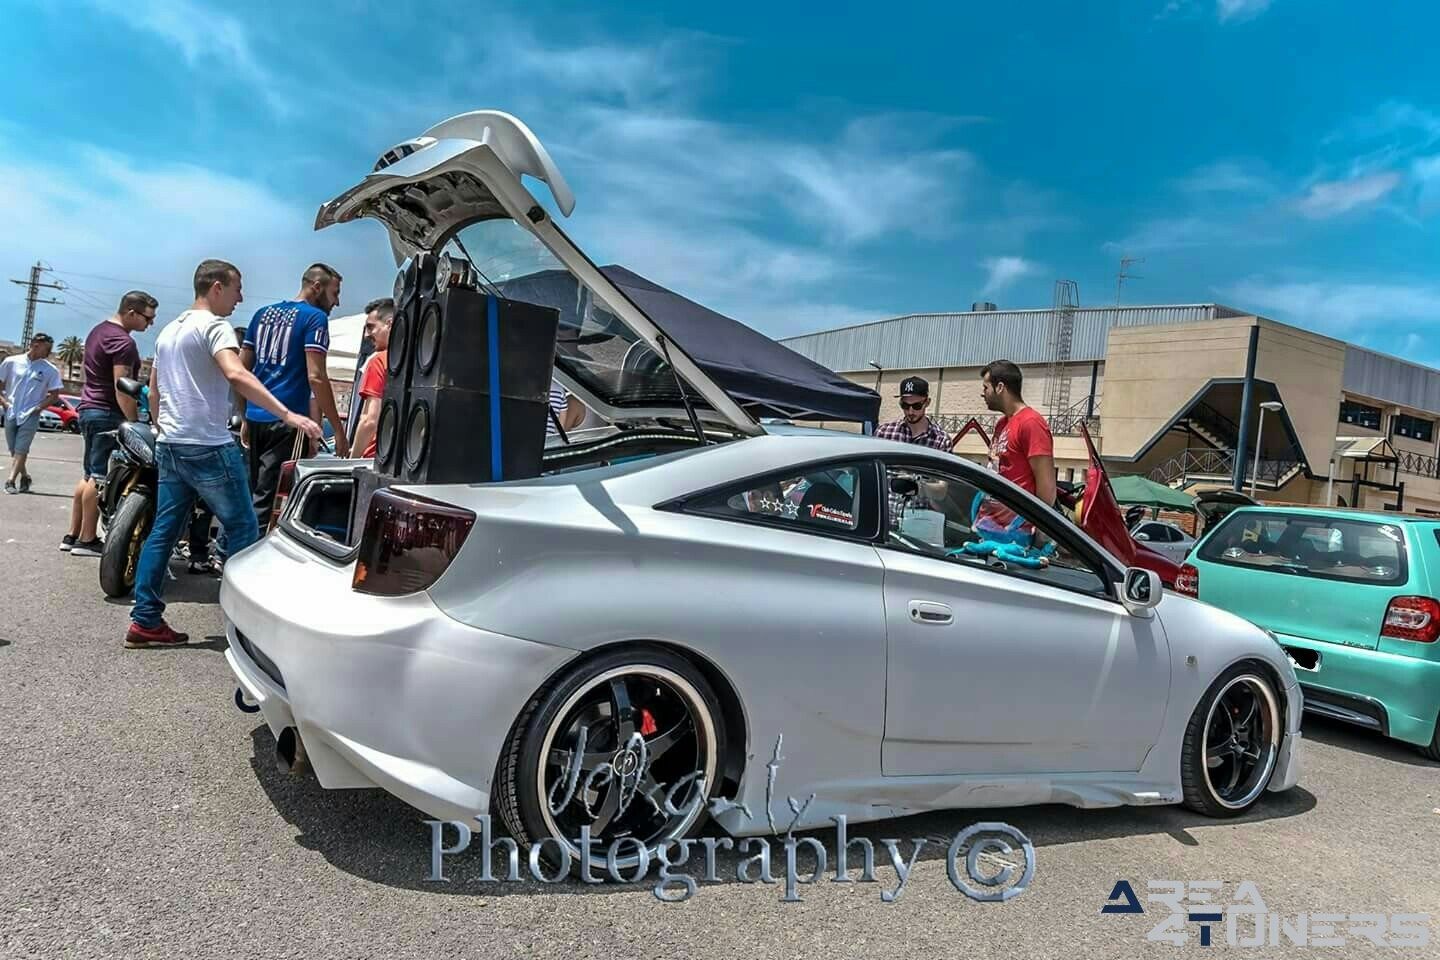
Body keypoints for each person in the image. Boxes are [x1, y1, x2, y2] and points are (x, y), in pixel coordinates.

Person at [126, 259, 321, 648]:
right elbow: (236, 374)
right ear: (216, 287)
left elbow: (156, 386)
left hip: (172, 444)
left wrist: (164, 426)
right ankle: (247, 624)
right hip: (209, 446)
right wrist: (288, 414)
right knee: (245, 528)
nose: (241, 297)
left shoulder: (169, 330)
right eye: (237, 289)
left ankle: (145, 619)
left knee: (164, 531)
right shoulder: (214, 327)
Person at [241, 263, 350, 530]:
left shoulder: (262, 314)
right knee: (276, 501)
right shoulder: (314, 318)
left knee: (254, 493)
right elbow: (316, 377)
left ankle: (232, 552)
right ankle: (252, 560)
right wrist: (337, 430)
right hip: (289, 421)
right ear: (317, 287)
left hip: (256, 415)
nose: (337, 302)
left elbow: (242, 369)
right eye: (334, 293)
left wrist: (243, 414)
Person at [64, 292, 156, 555]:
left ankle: (73, 534)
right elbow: (122, 387)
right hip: (107, 411)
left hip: (89, 408)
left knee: (87, 474)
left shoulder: (97, 332)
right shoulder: (122, 342)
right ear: (131, 312)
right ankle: (88, 539)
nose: (150, 324)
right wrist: (133, 422)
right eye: (148, 318)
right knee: (100, 477)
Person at [976, 359, 1055, 537]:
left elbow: (1047, 486)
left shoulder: (1031, 423)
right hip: (989, 527)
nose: (983, 394)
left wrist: (1041, 533)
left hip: (1015, 534)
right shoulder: (1002, 424)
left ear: (1000, 387)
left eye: (986, 388)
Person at [0, 333, 64, 495]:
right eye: (46, 348)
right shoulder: (11, 362)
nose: (49, 352)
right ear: (35, 344)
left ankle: (10, 481)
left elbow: (54, 395)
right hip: (11, 411)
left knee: (22, 448)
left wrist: (38, 408)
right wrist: (5, 404)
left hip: (31, 414)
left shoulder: (50, 370)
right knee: (14, 449)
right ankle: (25, 476)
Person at [349, 298, 395, 459]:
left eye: (371, 327)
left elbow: (369, 420)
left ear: (390, 324)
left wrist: (352, 459)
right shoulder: (421, 364)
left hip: (376, 458)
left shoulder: (379, 361)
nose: (367, 334)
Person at [875, 376, 950, 450]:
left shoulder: (941, 441)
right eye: (905, 405)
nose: (910, 412)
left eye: (917, 406)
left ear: (927, 402)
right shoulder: (884, 432)